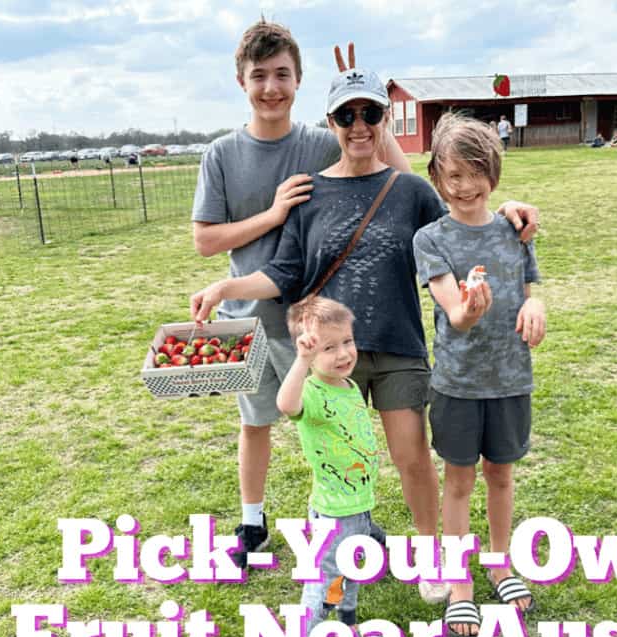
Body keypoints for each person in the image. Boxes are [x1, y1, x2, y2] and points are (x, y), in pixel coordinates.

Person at [190, 66, 541, 604]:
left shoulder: (409, 191)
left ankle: (432, 557)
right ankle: (348, 551)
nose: (359, 125)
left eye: (371, 113)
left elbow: (466, 208)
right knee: (344, 462)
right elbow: (285, 272)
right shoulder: (310, 195)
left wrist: (512, 209)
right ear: (330, 121)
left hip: (397, 344)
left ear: (384, 120)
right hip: (333, 356)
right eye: (347, 115)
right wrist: (225, 284)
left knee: (411, 457)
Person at [191, 22, 412, 574]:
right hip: (248, 312)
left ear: (299, 81)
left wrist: (364, 104)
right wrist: (272, 213)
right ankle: (252, 521)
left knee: (336, 420)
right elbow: (205, 239)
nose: (272, 88)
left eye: (283, 75)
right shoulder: (222, 153)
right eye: (259, 76)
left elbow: (401, 180)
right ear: (241, 81)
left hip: (314, 318)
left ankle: (353, 519)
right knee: (257, 422)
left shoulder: (319, 141)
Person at [413, 113, 546, 637]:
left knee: (502, 475)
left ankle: (499, 562)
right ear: (437, 178)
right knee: (460, 482)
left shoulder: (516, 229)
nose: (464, 186)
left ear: (493, 172)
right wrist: (469, 307)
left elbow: (533, 286)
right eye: (452, 175)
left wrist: (539, 308)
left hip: (512, 379)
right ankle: (460, 583)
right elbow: (454, 312)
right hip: (459, 385)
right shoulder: (431, 239)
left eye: (474, 172)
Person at [263, 296, 379, 637]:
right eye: (328, 349)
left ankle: (346, 625)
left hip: (356, 504)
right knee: (321, 589)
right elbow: (285, 405)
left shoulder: (346, 385)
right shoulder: (310, 391)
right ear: (309, 352)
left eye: (346, 342)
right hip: (336, 512)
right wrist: (301, 362)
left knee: (351, 567)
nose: (344, 354)